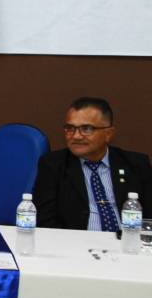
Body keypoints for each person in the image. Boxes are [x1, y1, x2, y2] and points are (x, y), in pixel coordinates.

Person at [34, 97, 152, 230]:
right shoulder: (53, 165)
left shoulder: (136, 164)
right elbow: (45, 221)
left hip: (128, 239)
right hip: (76, 240)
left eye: (86, 129)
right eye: (70, 128)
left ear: (108, 134)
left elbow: (149, 218)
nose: (76, 136)